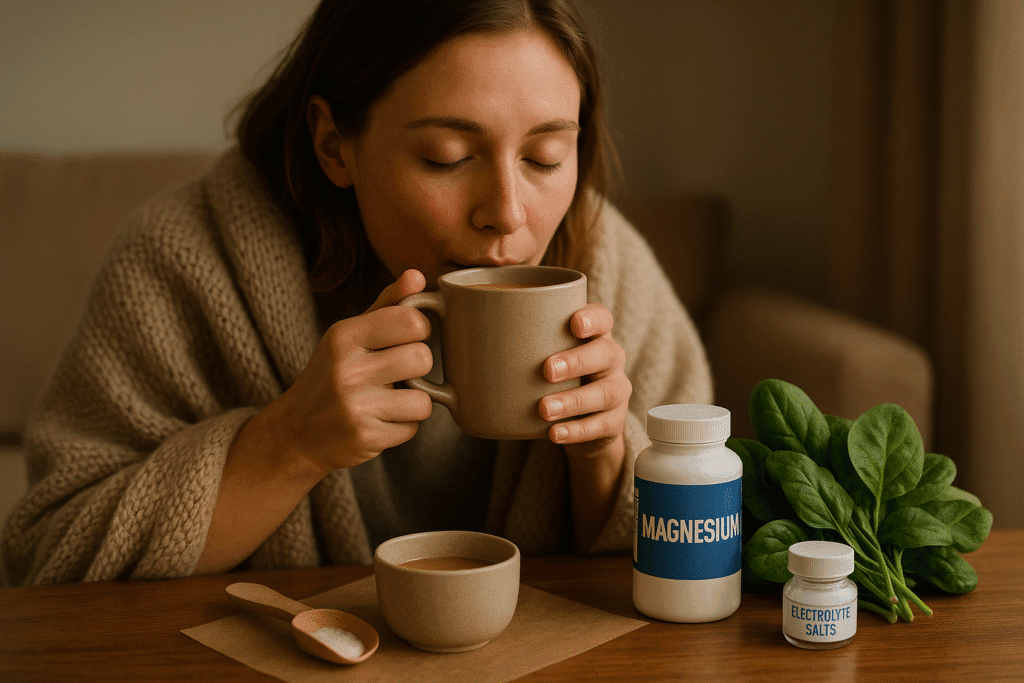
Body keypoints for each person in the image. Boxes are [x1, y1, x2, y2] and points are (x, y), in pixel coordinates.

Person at [0, 0, 711, 586]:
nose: (510, 211)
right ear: (334, 144)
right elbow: (47, 556)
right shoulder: (183, 260)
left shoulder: (603, 260)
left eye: (546, 156)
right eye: (449, 157)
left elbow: (699, 552)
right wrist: (288, 442)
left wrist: (605, 458)